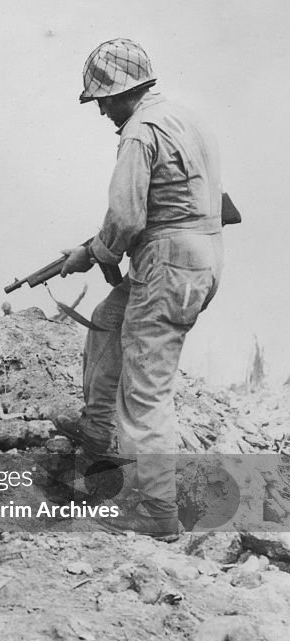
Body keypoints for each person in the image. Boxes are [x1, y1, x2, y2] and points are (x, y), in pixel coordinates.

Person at [55, 38, 225, 541]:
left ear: (125, 93)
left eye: (104, 98)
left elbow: (127, 217)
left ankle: (156, 511)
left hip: (167, 261)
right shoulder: (183, 119)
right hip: (199, 256)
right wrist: (97, 249)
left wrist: (101, 253)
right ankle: (100, 433)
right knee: (109, 320)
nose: (102, 109)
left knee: (146, 388)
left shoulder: (138, 133)